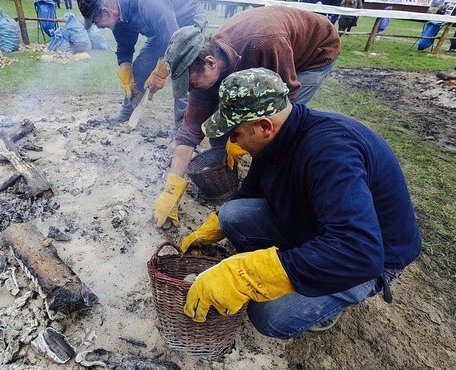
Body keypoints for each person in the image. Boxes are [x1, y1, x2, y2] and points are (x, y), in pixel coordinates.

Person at [180, 68, 422, 338]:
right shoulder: (277, 139)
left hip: (372, 258)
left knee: (268, 315)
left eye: (235, 134)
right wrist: (213, 227)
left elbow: (359, 251)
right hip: (320, 226)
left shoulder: (330, 154)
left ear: (264, 126)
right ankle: (297, 263)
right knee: (231, 214)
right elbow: (249, 193)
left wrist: (247, 273)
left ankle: (327, 301)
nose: (233, 142)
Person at [151, 6, 341, 229]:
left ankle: (270, 189)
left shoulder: (263, 43)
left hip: (312, 53)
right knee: (232, 123)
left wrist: (245, 142)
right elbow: (190, 131)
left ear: (210, 63)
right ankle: (227, 175)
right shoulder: (204, 76)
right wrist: (170, 190)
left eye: (191, 83)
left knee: (279, 131)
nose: (191, 89)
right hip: (274, 46)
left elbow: (285, 98)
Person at [77, 0, 207, 123]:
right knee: (140, 67)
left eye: (95, 21)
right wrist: (127, 75)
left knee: (181, 72)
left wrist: (159, 73)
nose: (98, 26)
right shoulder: (118, 19)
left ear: (106, 12)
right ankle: (128, 111)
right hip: (161, 30)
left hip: (187, 21)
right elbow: (124, 50)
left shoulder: (148, 4)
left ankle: (182, 127)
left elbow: (173, 41)